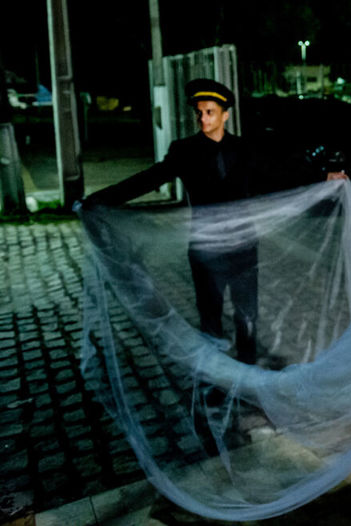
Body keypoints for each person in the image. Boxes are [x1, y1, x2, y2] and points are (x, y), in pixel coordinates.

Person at [84, 79, 262, 363]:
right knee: (210, 314)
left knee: (248, 314)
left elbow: (278, 174)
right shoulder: (185, 150)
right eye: (199, 112)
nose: (203, 118)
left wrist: (324, 177)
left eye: (210, 112)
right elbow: (148, 179)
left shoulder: (244, 149)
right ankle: (215, 371)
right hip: (206, 249)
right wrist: (100, 198)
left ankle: (248, 370)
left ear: (225, 115)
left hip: (243, 246)